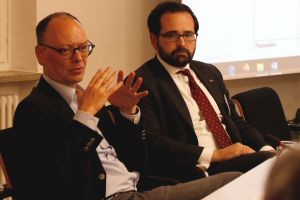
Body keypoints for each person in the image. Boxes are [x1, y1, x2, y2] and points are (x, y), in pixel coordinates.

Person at [10, 12, 241, 200]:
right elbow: (55, 178)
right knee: (232, 183)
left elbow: (135, 161)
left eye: (83, 48)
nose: (79, 58)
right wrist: (84, 115)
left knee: (235, 181)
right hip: (112, 197)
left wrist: (128, 112)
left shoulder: (88, 98)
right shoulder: (33, 109)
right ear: (41, 54)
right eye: (66, 50)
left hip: (138, 187)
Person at [133, 2, 276, 182]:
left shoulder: (209, 72)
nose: (182, 43)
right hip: (198, 170)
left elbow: (235, 120)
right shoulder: (142, 81)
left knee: (279, 161)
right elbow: (155, 142)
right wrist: (216, 155)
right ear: (154, 39)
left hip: (238, 157)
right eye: (172, 36)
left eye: (188, 35)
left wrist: (265, 148)